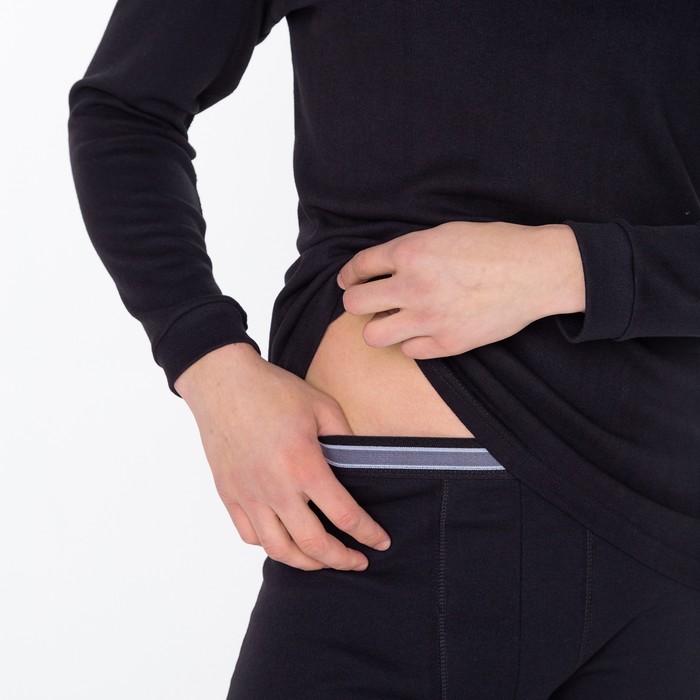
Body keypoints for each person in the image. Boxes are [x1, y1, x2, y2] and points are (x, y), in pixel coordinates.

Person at [68, 1, 700, 697]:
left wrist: (569, 268)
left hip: (670, 539)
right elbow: (126, 109)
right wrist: (211, 365)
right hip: (393, 513)